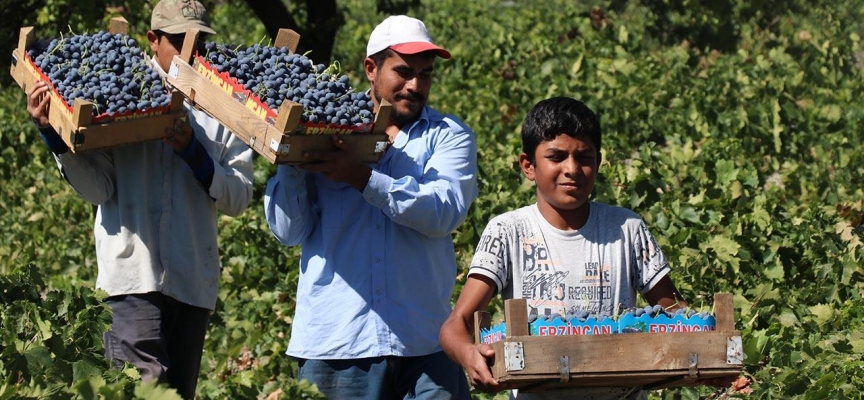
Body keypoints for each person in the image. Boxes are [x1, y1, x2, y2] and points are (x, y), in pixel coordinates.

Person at [24, 0, 253, 398]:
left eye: (199, 42)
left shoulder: (222, 107)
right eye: (180, 41)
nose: (191, 52)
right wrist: (52, 135)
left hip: (192, 283)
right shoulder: (116, 96)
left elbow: (239, 197)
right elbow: (99, 189)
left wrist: (193, 153)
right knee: (139, 392)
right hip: (133, 279)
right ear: (153, 39)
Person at [263, 14, 476, 400]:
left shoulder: (449, 137)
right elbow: (288, 232)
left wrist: (361, 178)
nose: (415, 85)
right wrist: (293, 164)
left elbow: (442, 212)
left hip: (425, 343)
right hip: (339, 345)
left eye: (425, 74)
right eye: (404, 72)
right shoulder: (322, 126)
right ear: (371, 68)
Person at [439, 97, 689, 400]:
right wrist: (469, 355)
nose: (572, 169)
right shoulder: (508, 232)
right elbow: (456, 324)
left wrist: (708, 358)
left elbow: (679, 316)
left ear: (597, 162)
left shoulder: (626, 229)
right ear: (528, 166)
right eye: (556, 157)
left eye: (584, 158)